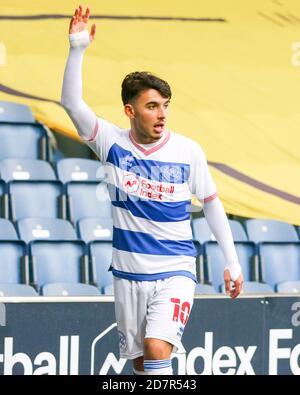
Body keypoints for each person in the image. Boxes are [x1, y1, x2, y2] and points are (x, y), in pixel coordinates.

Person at [61, 5, 244, 375]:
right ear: (130, 111)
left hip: (175, 269)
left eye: (165, 106)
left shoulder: (187, 150)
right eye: (152, 106)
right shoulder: (110, 142)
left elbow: (210, 203)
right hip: (128, 275)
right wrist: (77, 48)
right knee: (145, 364)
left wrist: (232, 260)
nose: (162, 114)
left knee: (157, 345)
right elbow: (70, 103)